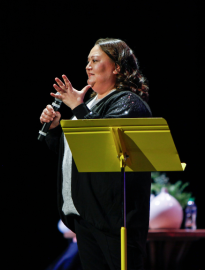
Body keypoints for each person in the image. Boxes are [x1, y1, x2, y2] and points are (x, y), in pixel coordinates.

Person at [39, 38, 152, 270]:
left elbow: (104, 144)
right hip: (86, 215)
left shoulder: (128, 101)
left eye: (95, 60)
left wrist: (77, 107)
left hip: (113, 219)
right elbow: (76, 153)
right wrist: (54, 130)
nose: (87, 66)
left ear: (116, 67)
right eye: (87, 61)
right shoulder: (89, 104)